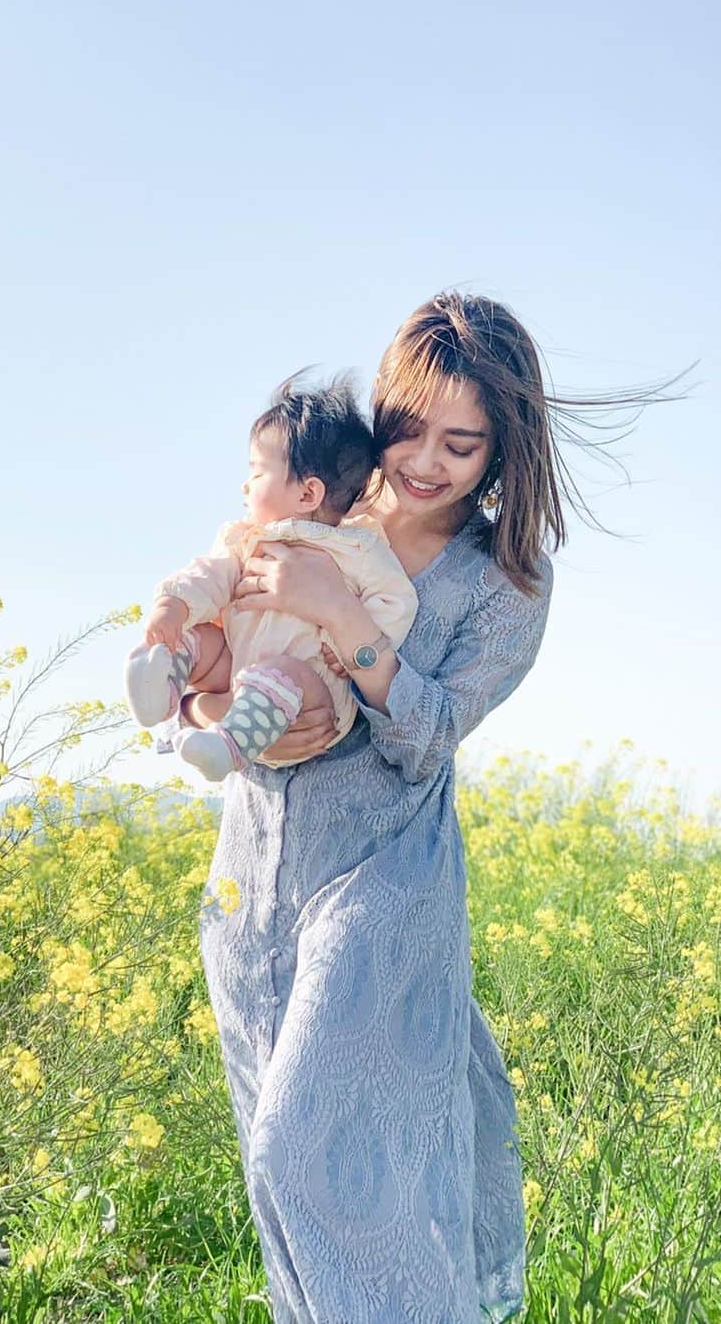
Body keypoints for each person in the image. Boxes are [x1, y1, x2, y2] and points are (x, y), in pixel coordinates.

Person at [152, 291, 680, 1321]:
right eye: (410, 430)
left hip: (383, 884)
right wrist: (215, 694)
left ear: (504, 451)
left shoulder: (506, 585)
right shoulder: (316, 511)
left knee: (303, 1145)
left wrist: (347, 622)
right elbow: (214, 653)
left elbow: (432, 736)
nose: (428, 462)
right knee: (284, 1173)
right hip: (256, 881)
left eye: (464, 443)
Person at [124, 373, 418, 782]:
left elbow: (396, 601)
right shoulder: (247, 539)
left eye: (258, 472)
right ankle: (163, 684)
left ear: (307, 494)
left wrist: (345, 640)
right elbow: (211, 575)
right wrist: (173, 605)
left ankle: (228, 746)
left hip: (312, 695)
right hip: (238, 671)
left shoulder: (357, 548)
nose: (245, 485)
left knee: (283, 672)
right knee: (202, 639)